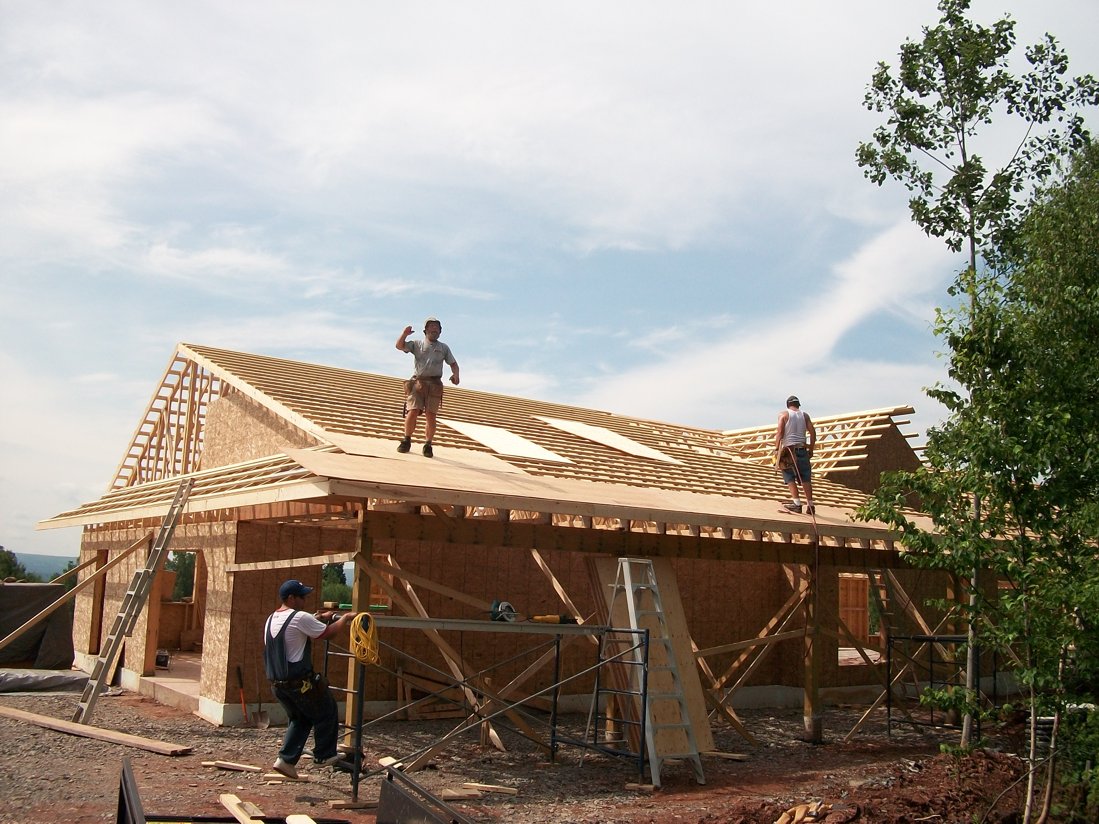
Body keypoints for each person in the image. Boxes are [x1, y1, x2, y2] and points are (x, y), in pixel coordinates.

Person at [263, 579, 354, 779]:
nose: (304, 600)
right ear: (291, 598)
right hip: (298, 683)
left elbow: (297, 626)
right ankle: (324, 755)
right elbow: (328, 633)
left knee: (301, 718)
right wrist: (345, 618)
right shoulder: (300, 617)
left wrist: (319, 617)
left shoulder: (272, 618)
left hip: (278, 685)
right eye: (302, 597)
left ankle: (285, 761)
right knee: (327, 710)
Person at [395, 316, 459, 458]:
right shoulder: (417, 344)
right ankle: (406, 439)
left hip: (434, 384)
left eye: (437, 327)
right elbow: (399, 346)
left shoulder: (443, 348)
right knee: (413, 411)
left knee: (431, 415)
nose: (434, 329)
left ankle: (428, 444)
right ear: (425, 330)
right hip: (418, 383)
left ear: (440, 331)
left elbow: (453, 364)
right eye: (431, 326)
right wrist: (404, 334)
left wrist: (456, 375)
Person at [774, 395, 816, 515]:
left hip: (789, 452)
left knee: (789, 476)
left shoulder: (783, 415)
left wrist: (776, 449)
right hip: (802, 450)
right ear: (798, 405)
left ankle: (797, 504)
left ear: (788, 405)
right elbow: (813, 433)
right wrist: (811, 449)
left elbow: (780, 432)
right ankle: (810, 506)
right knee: (805, 478)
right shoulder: (805, 415)